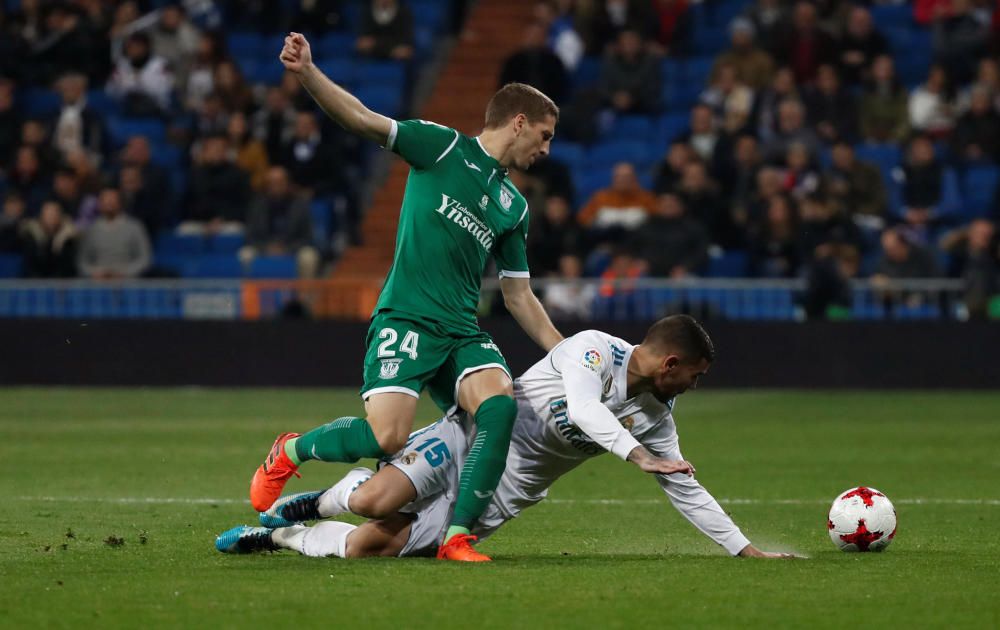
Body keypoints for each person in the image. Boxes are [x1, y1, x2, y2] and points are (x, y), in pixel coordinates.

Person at [247, 34, 563, 562]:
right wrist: (307, 73)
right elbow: (362, 119)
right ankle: (292, 449)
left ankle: (457, 536)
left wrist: (565, 354)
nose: (547, 149)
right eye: (545, 135)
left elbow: (519, 294)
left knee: (499, 403)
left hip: (462, 331)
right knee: (388, 438)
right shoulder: (440, 146)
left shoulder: (514, 205)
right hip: (409, 319)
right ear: (519, 122)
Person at [217, 316, 795, 560]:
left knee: (373, 548)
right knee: (374, 501)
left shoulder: (656, 416)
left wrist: (744, 549)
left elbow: (686, 488)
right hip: (472, 440)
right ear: (671, 363)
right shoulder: (592, 350)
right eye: (695, 375)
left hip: (506, 492)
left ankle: (282, 536)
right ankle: (322, 496)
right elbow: (587, 410)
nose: (694, 386)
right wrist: (636, 454)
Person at [238, 166, 319, 278]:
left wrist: (286, 249)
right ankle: (249, 294)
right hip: (264, 247)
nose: (275, 186)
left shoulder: (300, 205)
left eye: (280, 182)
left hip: (291, 247)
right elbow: (250, 236)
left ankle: (305, 294)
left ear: (287, 183)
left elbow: (307, 237)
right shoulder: (257, 205)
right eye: (271, 182)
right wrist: (266, 248)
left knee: (309, 256)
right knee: (245, 254)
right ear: (266, 185)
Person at [76, 187, 152, 279]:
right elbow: (82, 261)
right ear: (100, 204)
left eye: (112, 200)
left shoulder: (135, 227)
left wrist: (125, 273)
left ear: (120, 203)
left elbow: (145, 260)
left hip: (128, 283)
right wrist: (95, 272)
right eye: (105, 200)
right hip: (97, 284)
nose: (109, 203)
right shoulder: (91, 229)